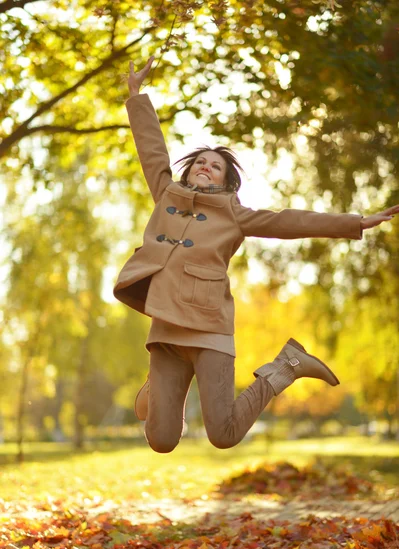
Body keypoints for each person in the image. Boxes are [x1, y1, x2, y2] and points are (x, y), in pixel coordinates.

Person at [114, 57, 399, 454]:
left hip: (209, 327)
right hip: (166, 329)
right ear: (188, 170)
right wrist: (136, 95)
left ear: (226, 181)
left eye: (214, 166)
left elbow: (289, 222)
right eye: (200, 162)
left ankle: (288, 366)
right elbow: (151, 148)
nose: (205, 167)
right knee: (161, 440)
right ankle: (157, 386)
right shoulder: (167, 194)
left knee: (223, 434)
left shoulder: (234, 212)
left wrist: (354, 222)